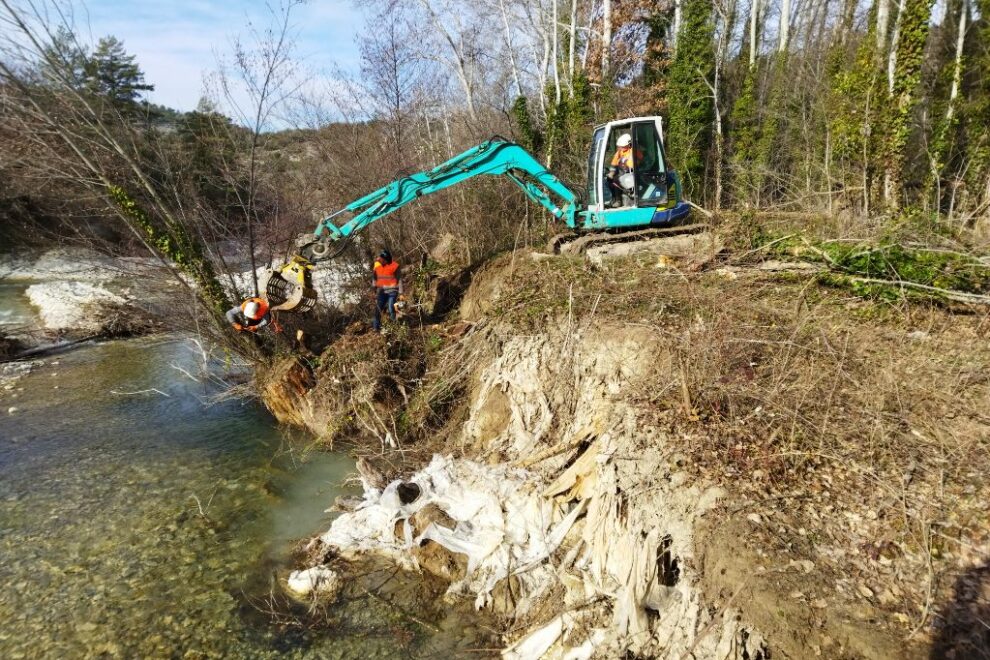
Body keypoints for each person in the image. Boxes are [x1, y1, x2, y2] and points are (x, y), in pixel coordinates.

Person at [372, 249, 403, 332]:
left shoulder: (395, 266)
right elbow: (374, 278)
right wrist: (374, 289)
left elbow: (399, 279)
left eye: (383, 259)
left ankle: (394, 326)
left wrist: (401, 293)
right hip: (381, 291)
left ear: (387, 260)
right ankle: (376, 327)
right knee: (378, 309)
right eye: (380, 258)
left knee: (391, 307)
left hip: (392, 291)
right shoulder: (377, 265)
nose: (380, 260)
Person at [606, 133, 640, 208]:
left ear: (629, 145)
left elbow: (637, 164)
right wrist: (611, 173)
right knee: (609, 180)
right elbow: (614, 164)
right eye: (620, 147)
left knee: (617, 180)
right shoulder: (619, 153)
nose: (620, 148)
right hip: (623, 173)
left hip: (633, 173)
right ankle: (615, 199)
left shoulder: (634, 151)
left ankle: (619, 201)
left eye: (623, 147)